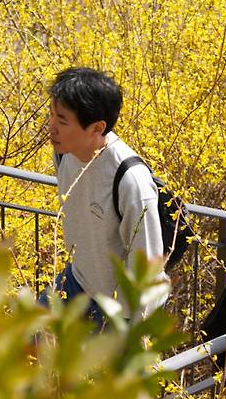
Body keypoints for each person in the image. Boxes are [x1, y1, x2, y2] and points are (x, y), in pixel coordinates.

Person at [41, 66, 169, 322]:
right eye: (52, 115)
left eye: (63, 120)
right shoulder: (65, 153)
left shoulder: (130, 180)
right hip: (77, 282)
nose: (51, 126)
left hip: (121, 310)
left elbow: (148, 269)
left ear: (97, 127)